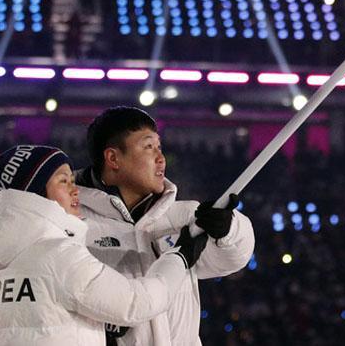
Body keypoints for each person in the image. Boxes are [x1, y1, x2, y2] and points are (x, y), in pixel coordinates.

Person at [0, 144, 208, 345]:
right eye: (64, 182)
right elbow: (137, 302)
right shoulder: (59, 255)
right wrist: (180, 257)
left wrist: (98, 321)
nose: (76, 191)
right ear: (35, 195)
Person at [74, 107, 255, 345]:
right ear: (113, 158)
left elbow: (231, 260)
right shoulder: (72, 222)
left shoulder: (184, 216)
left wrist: (229, 230)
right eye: (148, 147)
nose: (161, 158)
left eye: (159, 147)